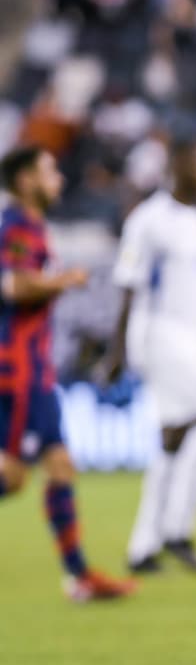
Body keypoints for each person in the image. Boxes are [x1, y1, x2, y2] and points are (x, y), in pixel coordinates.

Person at [0, 146, 136, 602]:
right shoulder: (15, 226)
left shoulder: (34, 227)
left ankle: (79, 576)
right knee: (15, 477)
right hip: (16, 369)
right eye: (48, 169)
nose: (57, 177)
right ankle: (79, 575)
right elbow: (15, 285)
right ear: (25, 180)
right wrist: (63, 280)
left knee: (59, 464)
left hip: (36, 369)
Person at [104, 140, 196, 574]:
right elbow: (129, 285)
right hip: (158, 335)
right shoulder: (148, 220)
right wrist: (117, 349)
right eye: (195, 161)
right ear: (174, 165)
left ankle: (144, 547)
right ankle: (177, 530)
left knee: (172, 439)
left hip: (191, 340)